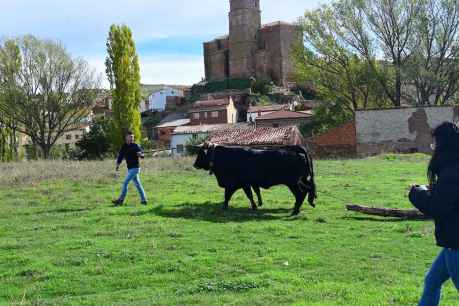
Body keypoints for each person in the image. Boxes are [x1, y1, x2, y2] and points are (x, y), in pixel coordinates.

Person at [409, 122, 459, 306]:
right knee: (432, 281)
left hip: (456, 245)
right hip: (451, 243)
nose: (434, 149)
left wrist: (415, 193)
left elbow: (439, 207)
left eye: (435, 144)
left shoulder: (453, 171)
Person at [112, 131, 148, 206]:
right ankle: (144, 200)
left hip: (135, 168)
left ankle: (121, 200)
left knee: (125, 183)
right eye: (130, 137)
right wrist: (118, 164)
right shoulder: (124, 146)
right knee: (138, 184)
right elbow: (121, 156)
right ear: (126, 137)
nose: (132, 138)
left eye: (133, 137)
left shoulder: (135, 146)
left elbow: (142, 155)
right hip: (130, 168)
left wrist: (140, 155)